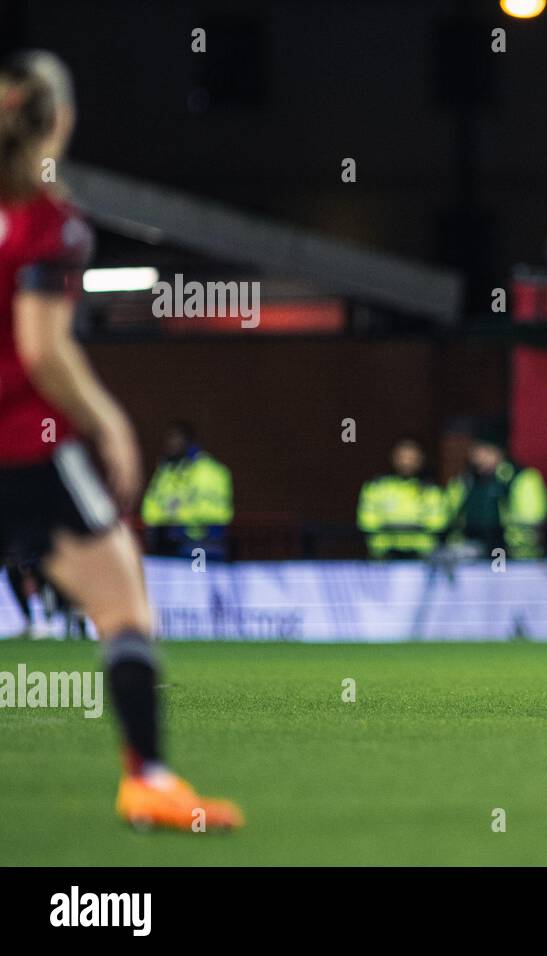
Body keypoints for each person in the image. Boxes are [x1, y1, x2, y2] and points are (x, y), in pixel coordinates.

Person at [0, 52, 241, 829]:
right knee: (126, 611)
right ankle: (149, 781)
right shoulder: (50, 219)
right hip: (27, 445)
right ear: (61, 118)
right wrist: (106, 420)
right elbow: (40, 350)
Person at [140, 420, 233, 559]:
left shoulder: (209, 471)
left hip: (202, 546)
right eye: (169, 440)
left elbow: (215, 513)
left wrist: (174, 516)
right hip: (167, 545)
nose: (170, 445)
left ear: (188, 442)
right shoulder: (166, 471)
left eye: (176, 439)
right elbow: (149, 510)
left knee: (199, 578)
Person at [356, 436, 448, 559]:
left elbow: (438, 523)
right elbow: (367, 521)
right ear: (394, 458)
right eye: (402, 457)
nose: (406, 462)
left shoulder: (432, 490)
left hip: (421, 558)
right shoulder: (376, 487)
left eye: (412, 458)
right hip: (384, 558)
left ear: (421, 459)